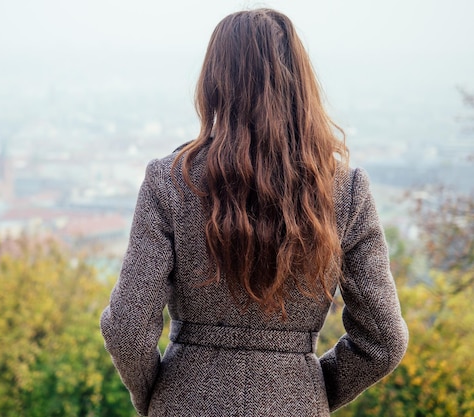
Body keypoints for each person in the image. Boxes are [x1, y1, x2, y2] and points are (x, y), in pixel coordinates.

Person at [100, 8, 408, 416]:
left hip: (184, 400)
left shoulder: (169, 180)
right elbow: (384, 340)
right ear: (300, 85)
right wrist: (309, 390)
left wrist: (156, 396)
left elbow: (126, 328)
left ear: (213, 81)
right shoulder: (345, 190)